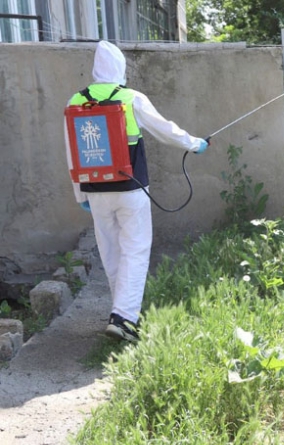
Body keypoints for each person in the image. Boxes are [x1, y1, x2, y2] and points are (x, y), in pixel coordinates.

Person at [64, 41, 209, 342]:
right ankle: (125, 317)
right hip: (131, 188)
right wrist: (194, 144)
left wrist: (81, 196)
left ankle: (121, 314)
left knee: (111, 250)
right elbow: (164, 129)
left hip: (95, 190)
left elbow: (72, 151)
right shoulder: (130, 98)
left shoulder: (75, 101)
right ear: (120, 69)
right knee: (135, 249)